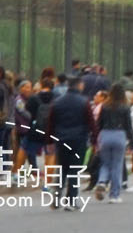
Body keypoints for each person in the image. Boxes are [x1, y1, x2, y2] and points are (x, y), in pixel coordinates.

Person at [46, 76, 92, 209]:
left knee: (62, 168)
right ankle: (71, 200)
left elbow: (51, 122)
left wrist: (49, 140)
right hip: (79, 139)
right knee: (74, 169)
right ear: (79, 85)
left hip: (61, 139)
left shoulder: (57, 102)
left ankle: (57, 195)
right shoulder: (84, 102)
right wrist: (95, 139)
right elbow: (91, 122)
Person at [94, 85, 132, 204]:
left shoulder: (105, 106)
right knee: (117, 165)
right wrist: (131, 142)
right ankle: (114, 195)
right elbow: (128, 126)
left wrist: (96, 139)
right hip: (119, 135)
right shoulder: (125, 107)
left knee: (105, 163)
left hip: (105, 134)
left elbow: (99, 123)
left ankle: (101, 181)